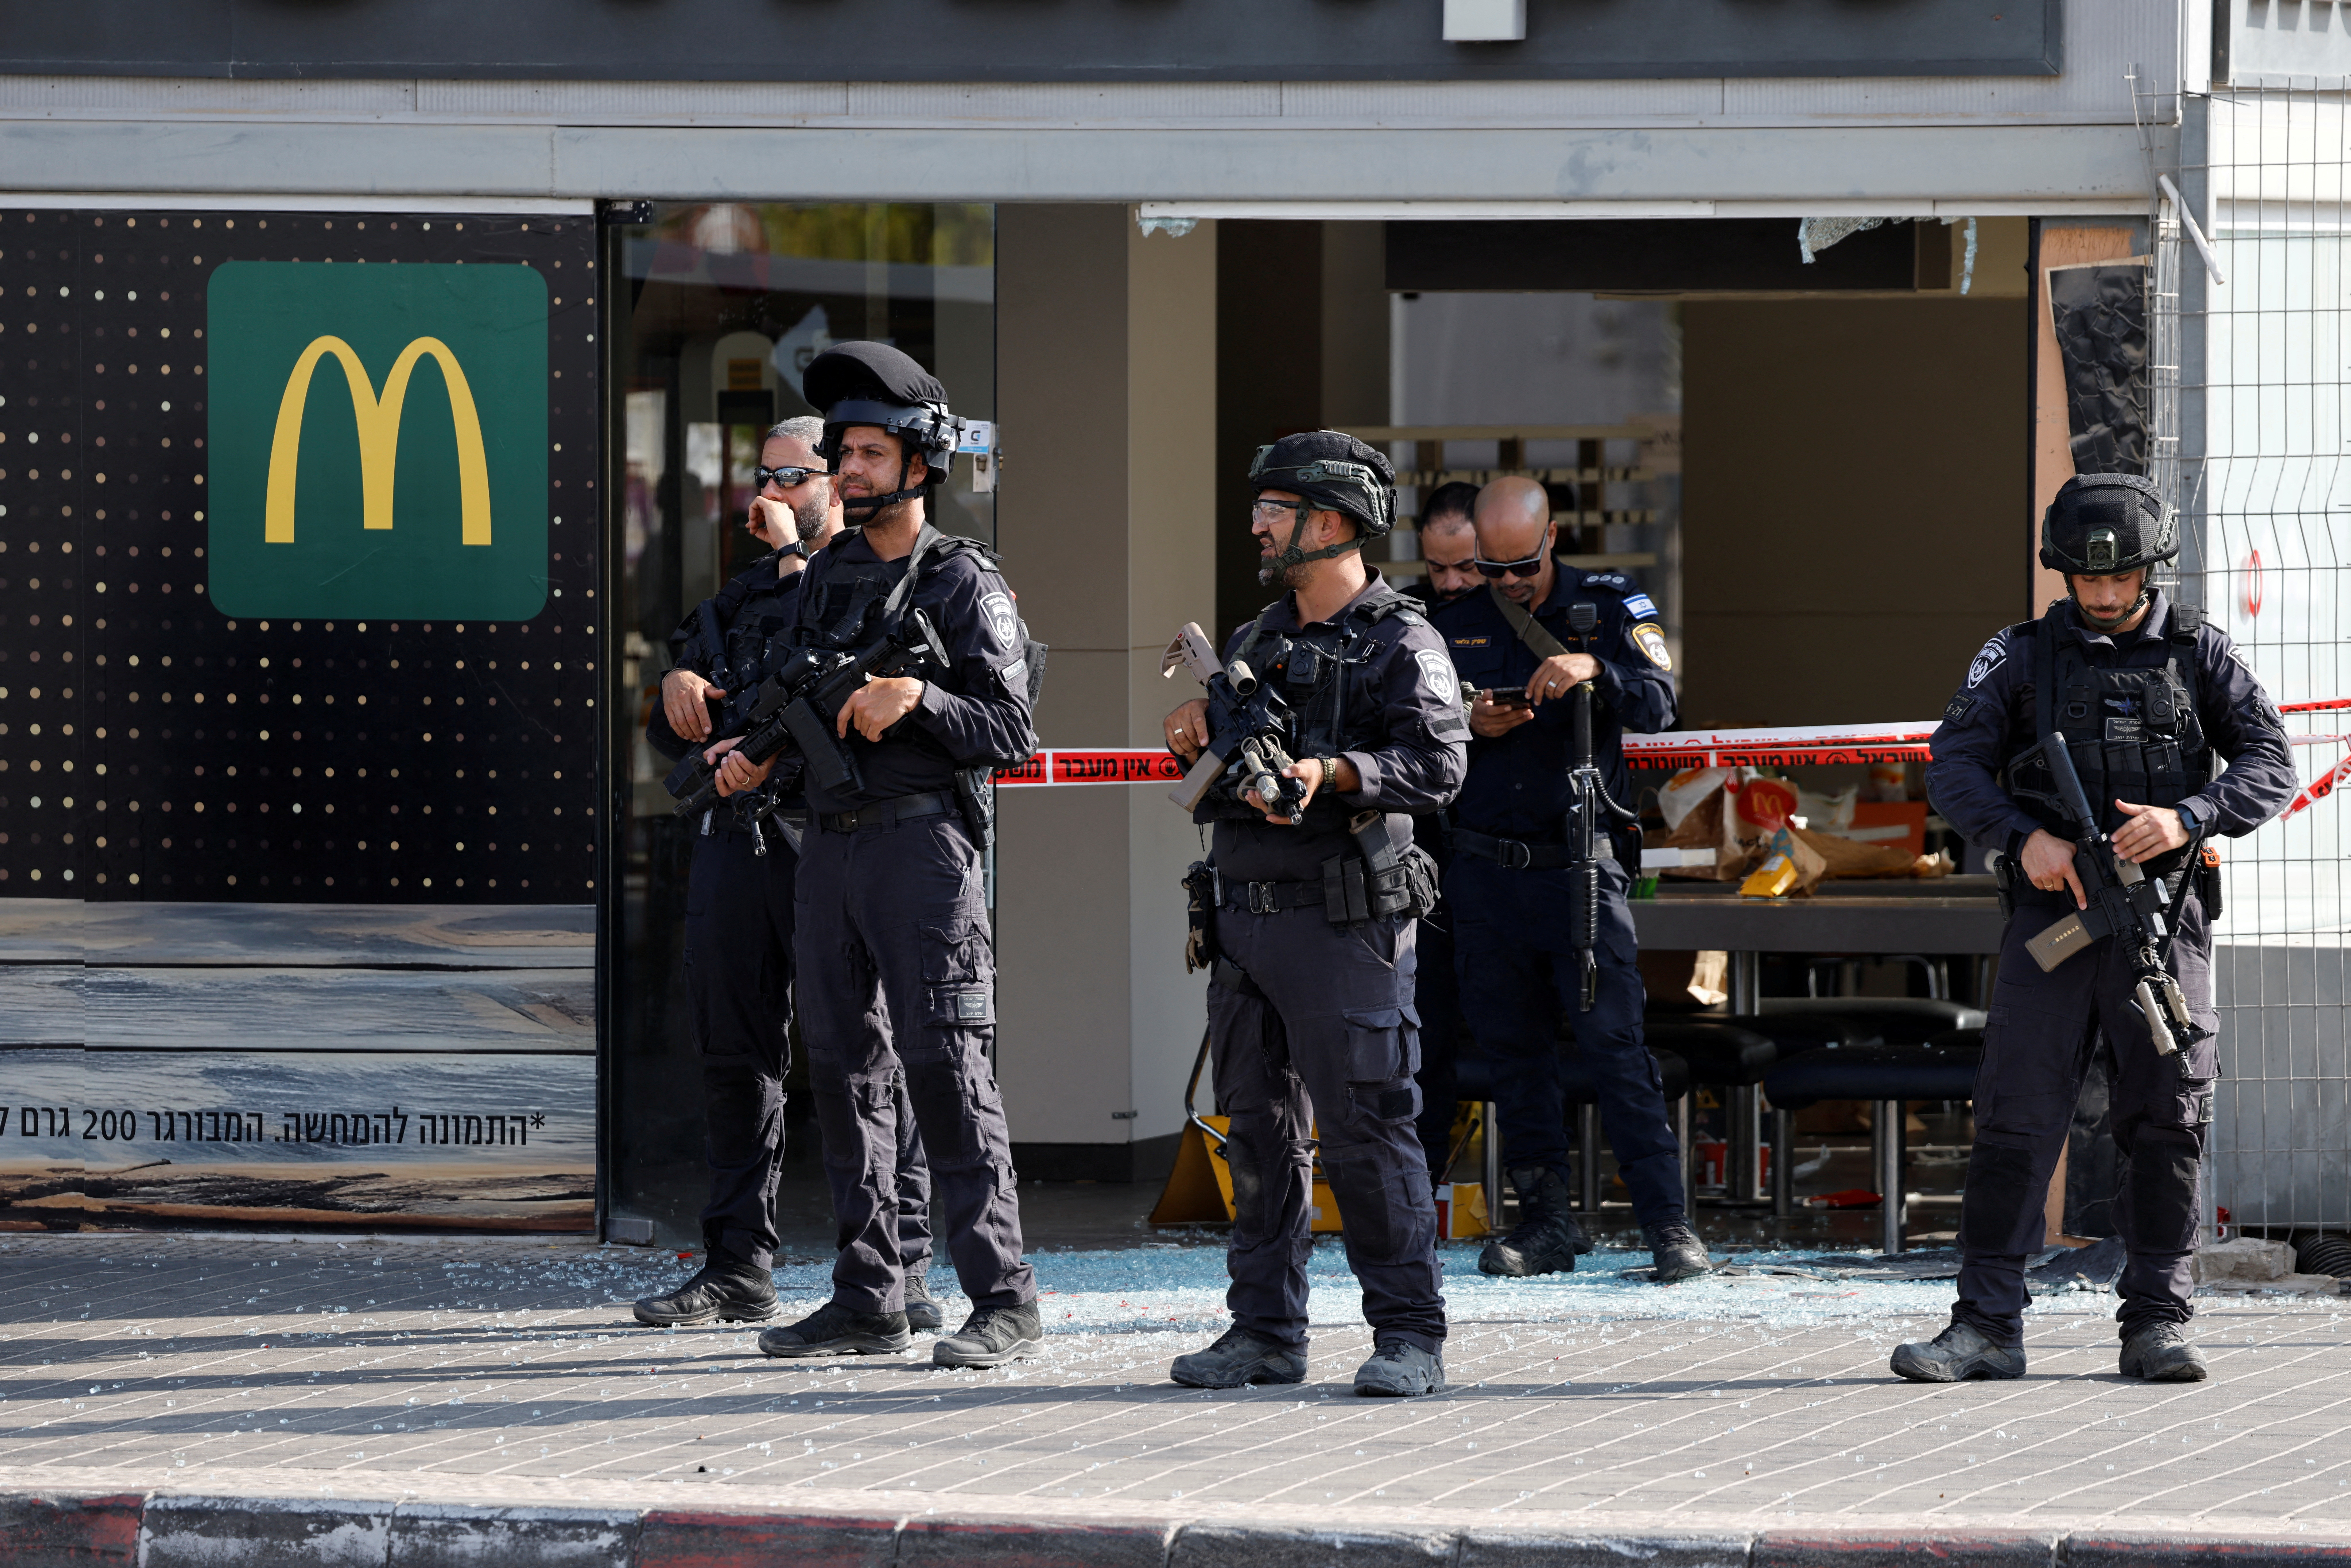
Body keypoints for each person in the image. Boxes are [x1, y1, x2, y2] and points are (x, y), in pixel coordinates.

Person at [1894, 473, 2296, 1384]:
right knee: (2015, 1118)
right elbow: (1952, 765)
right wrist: (2022, 836)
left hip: (2165, 918)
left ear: (2155, 570)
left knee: (2168, 1117)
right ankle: (1987, 1325)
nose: (2105, 598)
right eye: (2085, 582)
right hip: (2055, 921)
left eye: (2121, 582)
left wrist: (2189, 815)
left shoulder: (2202, 652)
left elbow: (2271, 761)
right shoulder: (2020, 655)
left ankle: (2157, 1319)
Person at [719, 343, 1044, 1371]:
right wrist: (745, 759)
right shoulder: (825, 584)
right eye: (841, 452)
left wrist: (921, 698)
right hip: (831, 853)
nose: (846, 470)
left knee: (948, 1068)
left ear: (918, 461)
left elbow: (1012, 727)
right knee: (845, 1072)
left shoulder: (959, 580)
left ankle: (1004, 1297)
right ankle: (873, 1291)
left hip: (923, 855)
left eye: (864, 452)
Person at [1161, 430, 1468, 1397]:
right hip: (1246, 922)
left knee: (1367, 1130)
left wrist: (1333, 771)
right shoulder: (1257, 641)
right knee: (1255, 1135)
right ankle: (1264, 1331)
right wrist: (1195, 746)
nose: (1255, 522)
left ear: (1330, 522)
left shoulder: (1401, 641)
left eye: (1275, 507)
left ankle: (1409, 1335)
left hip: (1344, 927)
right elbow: (1212, 790)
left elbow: (1441, 766)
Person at [631, 416, 944, 1334]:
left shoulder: (881, 584)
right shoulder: (741, 596)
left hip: (842, 844)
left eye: (794, 477)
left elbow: (863, 693)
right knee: (736, 1054)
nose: (772, 497)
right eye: (762, 478)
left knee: (874, 1060)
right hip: (741, 846)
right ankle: (738, 1266)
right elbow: (681, 712)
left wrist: (801, 565)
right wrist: (676, 687)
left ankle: (903, 1270)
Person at [1430, 477, 1708, 1284]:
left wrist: (1596, 671)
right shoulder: (1451, 624)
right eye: (1491, 570)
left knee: (1617, 1048)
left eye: (1522, 566)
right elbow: (1410, 731)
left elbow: (1664, 703)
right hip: (1485, 870)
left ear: (1552, 538)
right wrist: (1467, 722)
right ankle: (1546, 1221)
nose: (1508, 584)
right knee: (1514, 1056)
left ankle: (1668, 1225)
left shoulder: (1613, 605)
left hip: (1579, 866)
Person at [1399, 483, 1483, 1182]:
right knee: (1421, 1021)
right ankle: (1418, 1183)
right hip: (1424, 853)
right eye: (1438, 568)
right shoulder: (1399, 619)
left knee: (1513, 1026)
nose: (1452, 583)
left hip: (1505, 848)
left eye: (1467, 568)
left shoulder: (1526, 616)